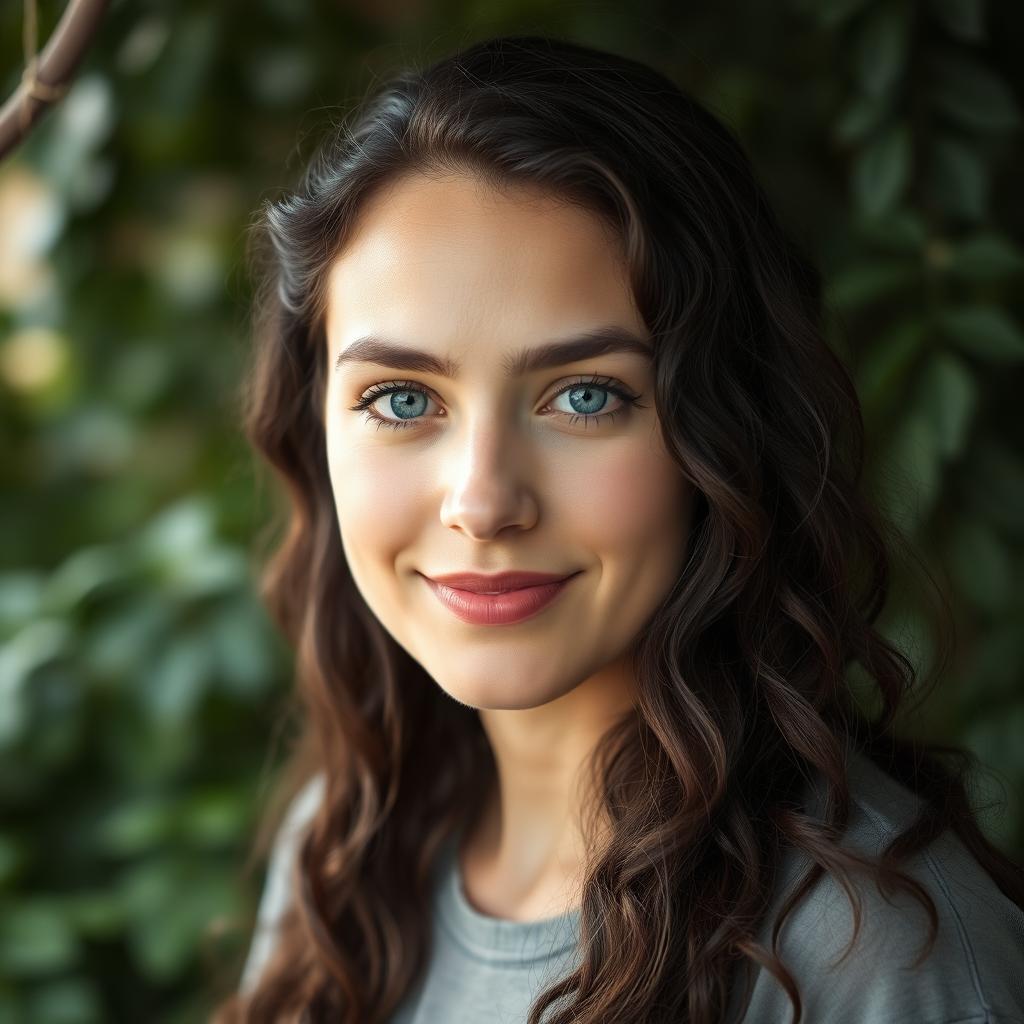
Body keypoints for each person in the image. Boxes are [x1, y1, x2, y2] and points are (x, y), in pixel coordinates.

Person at [212, 33, 1024, 1024]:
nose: (481, 500)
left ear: (723, 429)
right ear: (314, 424)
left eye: (586, 396)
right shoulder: (339, 864)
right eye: (398, 398)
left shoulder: (869, 958)